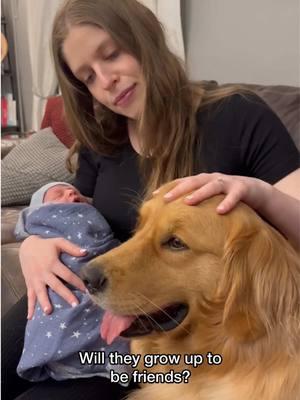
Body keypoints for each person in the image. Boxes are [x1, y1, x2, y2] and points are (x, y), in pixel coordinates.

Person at [2, 0, 299, 399]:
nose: (106, 80)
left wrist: (258, 192)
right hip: (77, 301)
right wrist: (33, 245)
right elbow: (74, 213)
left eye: (112, 54)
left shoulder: (238, 117)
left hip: (176, 348)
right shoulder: (104, 141)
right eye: (88, 76)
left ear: (146, 39)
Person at [15, 182, 131, 383]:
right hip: (50, 284)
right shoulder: (96, 155)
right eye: (58, 194)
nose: (71, 192)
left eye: (75, 192)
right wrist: (30, 244)